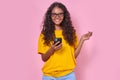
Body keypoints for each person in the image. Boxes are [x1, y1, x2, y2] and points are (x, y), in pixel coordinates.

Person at [38, 2, 92, 80]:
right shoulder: (44, 35)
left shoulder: (71, 33)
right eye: (54, 14)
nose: (57, 17)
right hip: (49, 76)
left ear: (64, 15)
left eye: (60, 14)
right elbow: (44, 58)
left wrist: (82, 40)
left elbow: (73, 56)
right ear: (50, 16)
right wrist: (52, 49)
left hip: (68, 75)